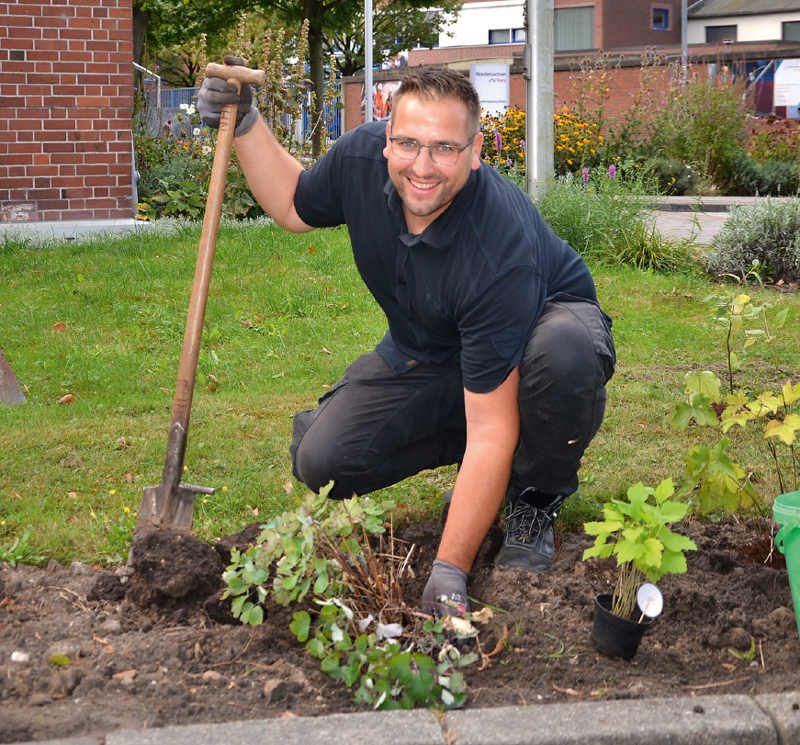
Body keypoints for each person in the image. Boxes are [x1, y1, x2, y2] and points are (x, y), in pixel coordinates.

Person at [198, 60, 615, 620]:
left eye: (444, 148)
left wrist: (449, 571)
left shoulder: (497, 247)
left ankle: (533, 498)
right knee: (323, 459)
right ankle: (483, 473)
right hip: (432, 347)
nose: (423, 166)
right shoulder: (362, 157)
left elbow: (491, 430)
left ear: (476, 150)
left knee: (564, 355)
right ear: (387, 136)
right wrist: (246, 122)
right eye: (409, 143)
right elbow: (295, 205)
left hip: (541, 327)